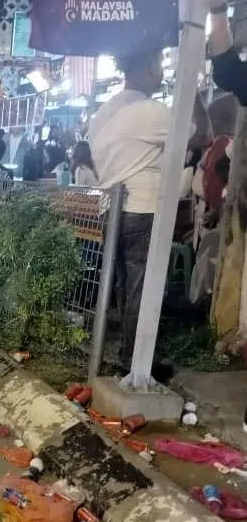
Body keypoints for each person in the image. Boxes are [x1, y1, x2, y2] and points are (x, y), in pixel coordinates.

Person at [88, 48, 208, 371]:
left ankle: (126, 355)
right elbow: (204, 135)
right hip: (142, 208)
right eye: (160, 64)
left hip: (110, 210)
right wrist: (191, 85)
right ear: (152, 65)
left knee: (125, 286)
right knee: (143, 287)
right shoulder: (151, 112)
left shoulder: (104, 112)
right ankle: (136, 363)